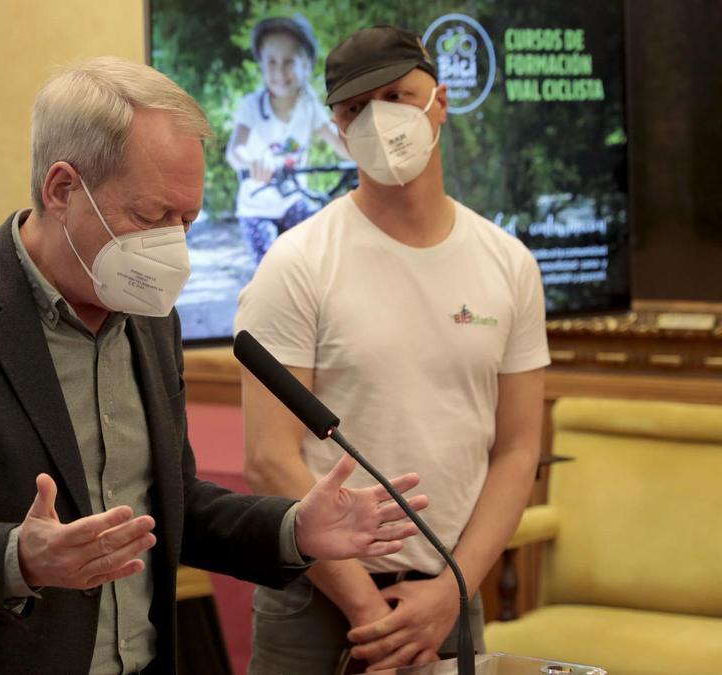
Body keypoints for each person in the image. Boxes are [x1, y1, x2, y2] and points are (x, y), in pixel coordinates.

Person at [0, 56, 428, 675]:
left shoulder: (148, 313)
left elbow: (173, 503)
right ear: (62, 189)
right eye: (150, 217)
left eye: (186, 221)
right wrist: (16, 558)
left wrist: (294, 529)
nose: (173, 248)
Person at [235, 25, 550, 674]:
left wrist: (449, 591)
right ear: (339, 128)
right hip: (316, 600)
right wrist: (366, 608)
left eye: (398, 96)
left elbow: (519, 448)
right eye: (355, 109)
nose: (380, 121)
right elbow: (269, 457)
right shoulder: (296, 263)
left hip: (450, 593)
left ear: (440, 100)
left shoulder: (509, 263)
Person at [226, 15, 350, 265]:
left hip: (293, 202)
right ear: (261, 64)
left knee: (325, 245)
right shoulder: (253, 106)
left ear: (306, 64)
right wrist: (252, 161)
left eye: (289, 62)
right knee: (271, 268)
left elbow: (344, 148)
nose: (279, 71)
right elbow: (235, 150)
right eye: (271, 62)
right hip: (257, 208)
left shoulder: (309, 107)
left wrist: (368, 157)